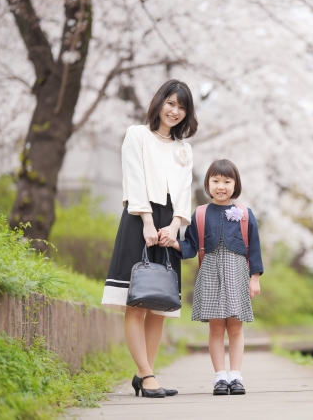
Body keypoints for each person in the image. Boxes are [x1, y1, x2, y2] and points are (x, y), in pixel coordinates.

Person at [101, 80, 197, 398]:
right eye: (171, 103)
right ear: (159, 103)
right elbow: (134, 177)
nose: (175, 111)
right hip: (138, 218)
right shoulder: (137, 135)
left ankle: (147, 375)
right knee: (137, 301)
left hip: (169, 225)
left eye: (182, 107)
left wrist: (175, 226)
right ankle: (147, 374)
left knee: (159, 305)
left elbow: (184, 192)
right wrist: (146, 220)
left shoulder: (184, 150)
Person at [173, 159, 263, 396]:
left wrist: (255, 278)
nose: (220, 186)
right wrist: (175, 243)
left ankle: (236, 376)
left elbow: (253, 247)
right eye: (215, 181)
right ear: (208, 184)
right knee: (215, 329)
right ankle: (220, 377)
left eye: (226, 181)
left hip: (237, 274)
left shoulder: (244, 213)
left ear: (235, 185)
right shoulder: (200, 213)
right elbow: (191, 246)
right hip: (211, 273)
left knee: (235, 328)